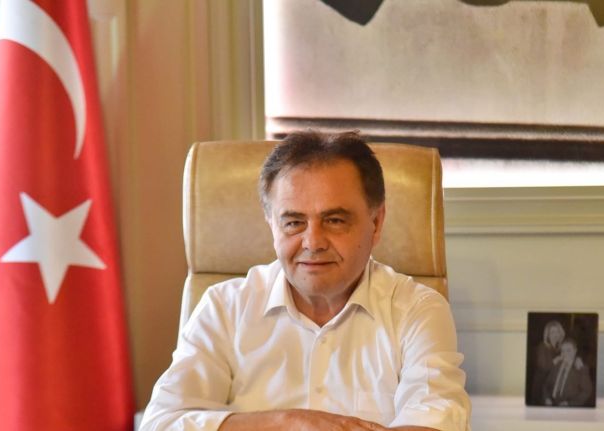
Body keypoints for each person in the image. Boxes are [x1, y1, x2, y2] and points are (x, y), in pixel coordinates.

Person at [139, 131, 471, 430]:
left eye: (335, 220)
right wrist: (288, 423)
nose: (313, 242)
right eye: (294, 222)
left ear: (376, 222)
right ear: (271, 224)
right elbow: (161, 423)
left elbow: (438, 421)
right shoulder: (224, 308)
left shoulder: (417, 310)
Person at [542, 338, 592, 407]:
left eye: (568, 350)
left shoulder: (581, 368)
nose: (565, 354)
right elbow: (546, 385)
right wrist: (547, 398)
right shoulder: (557, 365)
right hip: (551, 403)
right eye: (563, 351)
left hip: (567, 406)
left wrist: (569, 403)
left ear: (575, 351)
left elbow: (586, 392)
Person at [529, 320, 565, 404]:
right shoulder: (542, 347)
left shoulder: (560, 348)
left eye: (557, 332)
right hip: (541, 385)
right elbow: (543, 367)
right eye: (552, 332)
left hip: (552, 386)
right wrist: (556, 360)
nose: (555, 334)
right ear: (547, 335)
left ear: (561, 334)